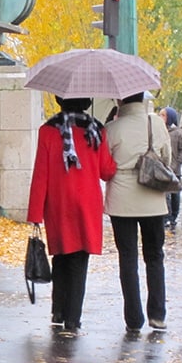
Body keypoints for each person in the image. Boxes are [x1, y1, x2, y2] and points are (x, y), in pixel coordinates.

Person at [27, 96, 116, 331]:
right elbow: (106, 171)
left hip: (58, 202)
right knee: (79, 259)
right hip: (87, 202)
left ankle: (58, 310)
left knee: (60, 254)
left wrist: (35, 213)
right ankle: (73, 318)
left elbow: (40, 174)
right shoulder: (96, 130)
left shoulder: (48, 131)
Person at [104, 92, 172, 332]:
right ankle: (157, 315)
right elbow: (167, 158)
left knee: (128, 259)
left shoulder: (112, 127)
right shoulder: (156, 123)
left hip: (121, 200)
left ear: (120, 100)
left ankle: (133, 319)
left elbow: (105, 166)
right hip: (152, 197)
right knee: (155, 256)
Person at [158, 106, 182, 230]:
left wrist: (177, 163)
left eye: (163, 115)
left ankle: (173, 217)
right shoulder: (159, 131)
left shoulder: (177, 133)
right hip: (163, 168)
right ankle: (166, 217)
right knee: (165, 195)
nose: (161, 117)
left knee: (175, 194)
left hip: (174, 169)